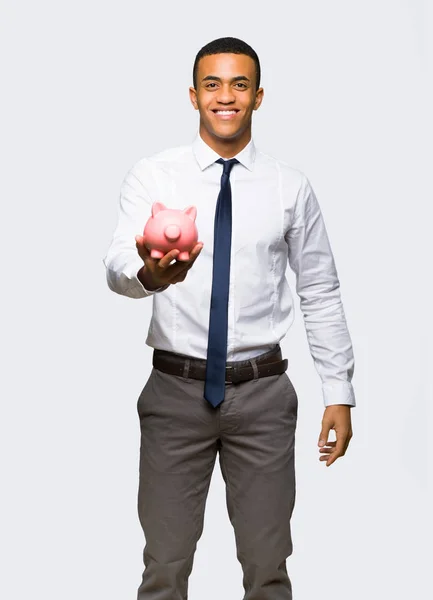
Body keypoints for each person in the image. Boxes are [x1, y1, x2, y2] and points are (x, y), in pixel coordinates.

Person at [103, 36, 355, 600]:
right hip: (175, 393)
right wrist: (152, 275)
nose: (225, 97)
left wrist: (338, 390)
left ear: (258, 97)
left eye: (239, 84)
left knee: (268, 568)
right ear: (193, 96)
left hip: (263, 395)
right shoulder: (154, 175)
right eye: (212, 84)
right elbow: (118, 264)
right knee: (164, 567)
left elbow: (320, 289)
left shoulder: (290, 187)